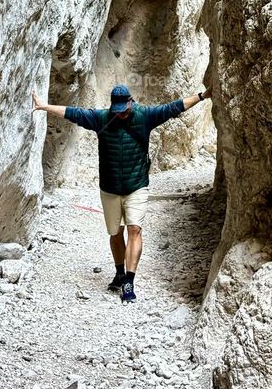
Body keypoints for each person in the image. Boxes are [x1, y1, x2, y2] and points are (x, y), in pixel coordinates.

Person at [31, 81, 212, 303]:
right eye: (117, 112)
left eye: (124, 111)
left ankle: (129, 281)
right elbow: (73, 113)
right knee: (115, 232)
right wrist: (44, 106)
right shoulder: (101, 118)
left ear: (130, 103)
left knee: (134, 229)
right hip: (110, 187)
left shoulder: (145, 115)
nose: (121, 115)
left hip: (137, 185)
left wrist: (202, 96)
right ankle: (119, 272)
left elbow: (173, 107)